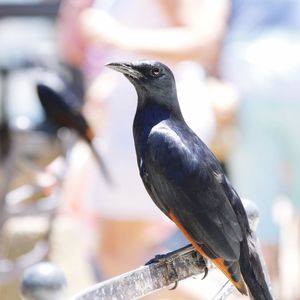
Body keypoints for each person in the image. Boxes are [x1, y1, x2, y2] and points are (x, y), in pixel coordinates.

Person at [219, 0, 300, 293]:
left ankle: (270, 293)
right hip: (285, 71)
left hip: (249, 74)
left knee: (258, 217)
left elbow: (215, 20)